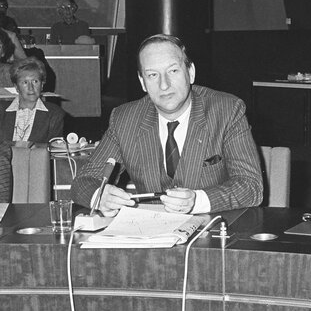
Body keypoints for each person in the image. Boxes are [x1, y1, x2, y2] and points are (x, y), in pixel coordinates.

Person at [71, 33, 263, 215]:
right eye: (153, 75)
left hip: (212, 231)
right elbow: (83, 182)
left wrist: (197, 200)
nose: (164, 85)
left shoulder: (227, 110)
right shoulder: (124, 119)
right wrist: (100, 196)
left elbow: (251, 186)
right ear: (142, 82)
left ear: (191, 72)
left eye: (172, 71)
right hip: (150, 237)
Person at [0, 57, 64, 144]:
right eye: (25, 82)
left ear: (42, 85)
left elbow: (54, 149)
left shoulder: (54, 114)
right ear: (16, 87)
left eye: (35, 81)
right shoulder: (1, 110)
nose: (31, 88)